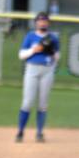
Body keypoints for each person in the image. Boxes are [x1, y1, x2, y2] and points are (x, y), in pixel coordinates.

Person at [16, 12, 60, 143]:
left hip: (47, 70)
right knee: (27, 102)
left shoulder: (53, 38)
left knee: (43, 104)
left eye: (45, 20)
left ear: (48, 23)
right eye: (40, 20)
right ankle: (20, 132)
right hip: (32, 69)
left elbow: (57, 57)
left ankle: (40, 133)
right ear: (36, 22)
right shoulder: (30, 36)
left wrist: (51, 51)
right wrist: (34, 50)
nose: (43, 22)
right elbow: (21, 55)